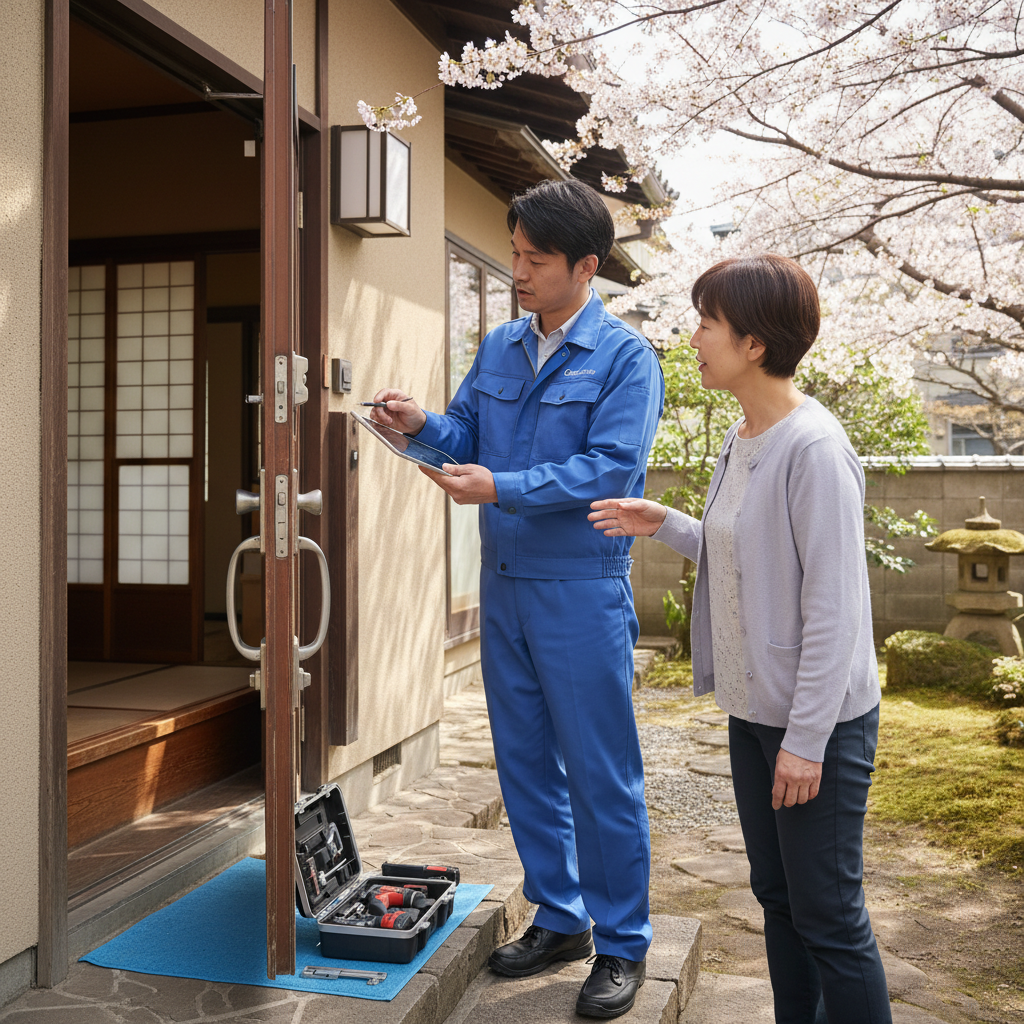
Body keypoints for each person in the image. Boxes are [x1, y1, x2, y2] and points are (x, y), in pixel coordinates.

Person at [370, 177, 664, 1019]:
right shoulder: (500, 346)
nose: (518, 271)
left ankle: (622, 943)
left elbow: (607, 469)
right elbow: (466, 434)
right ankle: (560, 915)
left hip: (580, 589)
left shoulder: (626, 359)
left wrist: (498, 484)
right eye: (512, 253)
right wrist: (420, 421)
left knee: (601, 775)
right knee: (524, 764)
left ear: (586, 266)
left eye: (535, 259)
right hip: (505, 588)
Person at [589, 254, 892, 1024]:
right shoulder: (744, 434)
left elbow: (834, 611)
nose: (693, 337)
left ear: (753, 343)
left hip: (812, 724)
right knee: (780, 899)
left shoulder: (814, 449)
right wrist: (669, 525)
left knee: (830, 915)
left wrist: (807, 741)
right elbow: (748, 552)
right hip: (756, 711)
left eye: (706, 323)